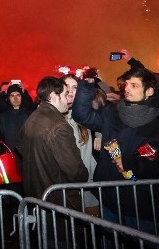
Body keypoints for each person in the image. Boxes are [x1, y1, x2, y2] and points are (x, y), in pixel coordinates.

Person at [72, 65, 159, 237]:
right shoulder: (111, 112)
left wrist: (131, 163)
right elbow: (82, 115)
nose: (126, 88)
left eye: (134, 85)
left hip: (141, 208)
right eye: (126, 84)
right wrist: (87, 85)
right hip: (109, 201)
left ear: (149, 91)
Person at [16, 77, 88, 206]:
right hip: (59, 200)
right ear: (54, 96)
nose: (68, 98)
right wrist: (84, 175)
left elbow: (20, 144)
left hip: (36, 194)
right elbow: (74, 170)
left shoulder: (34, 116)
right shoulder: (59, 126)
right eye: (65, 94)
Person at [61, 74, 99, 214]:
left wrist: (99, 134)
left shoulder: (86, 114)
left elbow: (106, 119)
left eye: (75, 87)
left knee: (92, 230)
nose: (70, 91)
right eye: (66, 87)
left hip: (88, 184)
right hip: (65, 187)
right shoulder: (55, 116)